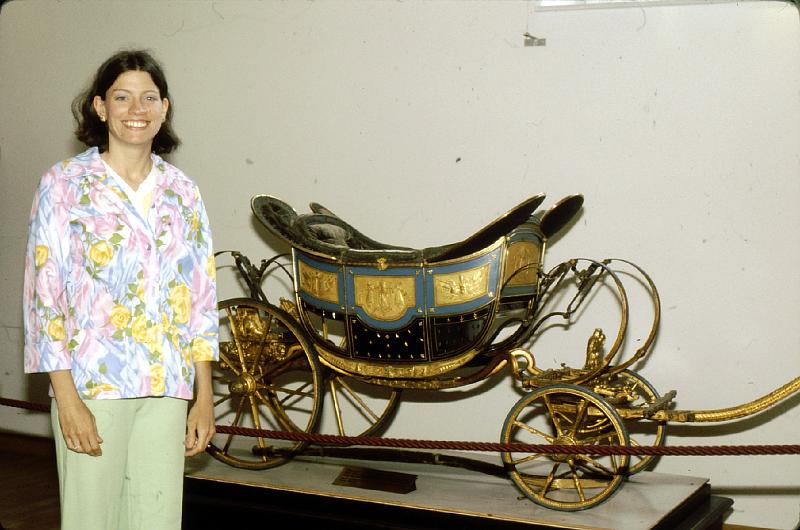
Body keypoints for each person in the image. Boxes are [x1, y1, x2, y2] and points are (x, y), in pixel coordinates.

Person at [22, 49, 219, 530]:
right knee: (92, 520)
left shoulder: (183, 191)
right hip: (93, 387)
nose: (137, 109)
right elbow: (43, 297)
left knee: (156, 519)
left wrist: (205, 395)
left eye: (149, 97)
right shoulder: (64, 184)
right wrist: (66, 399)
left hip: (167, 386)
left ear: (164, 109)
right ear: (100, 107)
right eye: (123, 97)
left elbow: (199, 297)